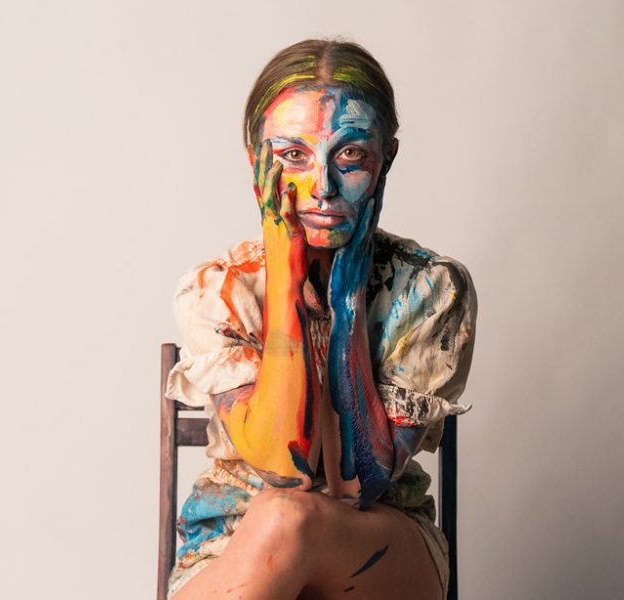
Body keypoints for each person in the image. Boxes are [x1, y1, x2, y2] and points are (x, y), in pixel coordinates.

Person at [163, 38, 478, 600]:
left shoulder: (429, 289)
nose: (323, 187)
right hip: (231, 545)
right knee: (282, 517)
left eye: (350, 154)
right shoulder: (220, 290)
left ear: (386, 160)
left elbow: (358, 485)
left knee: (291, 518)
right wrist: (285, 276)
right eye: (293, 156)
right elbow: (283, 468)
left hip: (382, 546)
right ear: (255, 161)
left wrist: (348, 298)